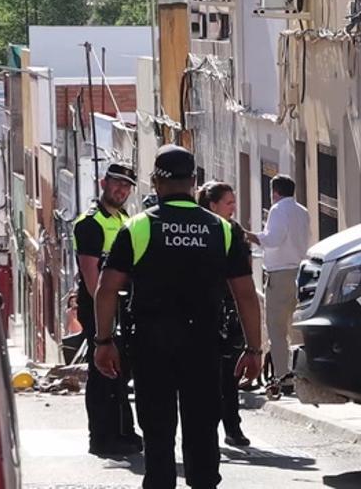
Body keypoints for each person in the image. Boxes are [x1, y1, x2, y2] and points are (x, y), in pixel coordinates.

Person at [93, 145, 263, 489]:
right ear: (194, 182)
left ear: (155, 182)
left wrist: (104, 341)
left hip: (151, 347)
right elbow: (245, 294)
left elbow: (106, 288)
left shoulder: (138, 227)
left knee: (157, 435)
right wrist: (254, 349)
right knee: (202, 430)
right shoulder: (223, 230)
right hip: (203, 346)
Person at [72, 162, 141, 456]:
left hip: (123, 307)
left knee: (120, 372)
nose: (121, 189)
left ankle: (122, 430)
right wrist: (106, 316)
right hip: (102, 309)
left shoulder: (125, 218)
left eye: (127, 185)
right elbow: (91, 278)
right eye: (116, 183)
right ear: (103, 183)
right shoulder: (91, 223)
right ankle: (101, 437)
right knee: (103, 374)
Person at [197, 181, 251, 447]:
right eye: (228, 203)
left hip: (229, 312)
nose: (233, 208)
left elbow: (244, 277)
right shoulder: (200, 231)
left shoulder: (235, 231)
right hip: (205, 312)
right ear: (213, 205)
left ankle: (232, 427)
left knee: (229, 375)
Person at [246, 174, 309, 395]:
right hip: (300, 274)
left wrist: (248, 236)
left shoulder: (277, 209)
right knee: (296, 329)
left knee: (277, 328)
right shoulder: (302, 211)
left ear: (275, 192)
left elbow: (272, 239)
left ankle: (283, 376)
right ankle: (301, 373)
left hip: (279, 275)